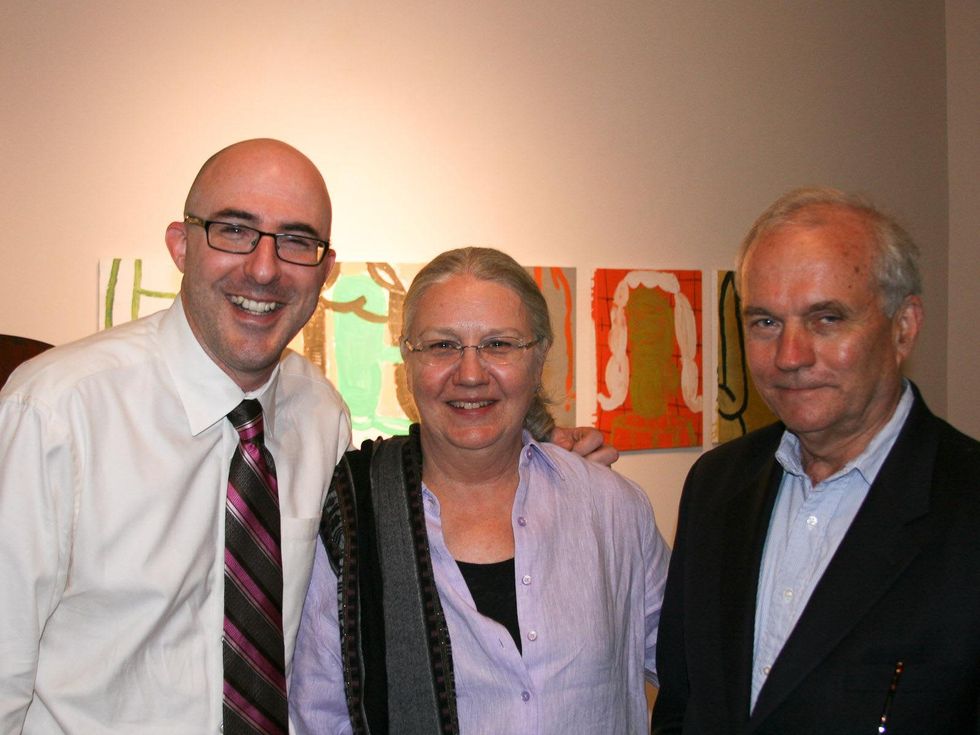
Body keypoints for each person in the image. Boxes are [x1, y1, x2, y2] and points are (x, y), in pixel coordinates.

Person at [0, 139, 613, 734]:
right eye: (234, 230)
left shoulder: (319, 415)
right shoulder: (56, 412)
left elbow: (404, 489)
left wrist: (526, 448)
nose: (264, 268)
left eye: (296, 241)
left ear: (325, 271)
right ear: (181, 244)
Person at [290, 247, 671, 734]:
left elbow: (694, 671)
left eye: (499, 344)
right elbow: (319, 717)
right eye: (443, 346)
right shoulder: (351, 518)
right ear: (408, 360)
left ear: (540, 359)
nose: (470, 374)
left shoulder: (613, 508)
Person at [651, 188, 980, 734]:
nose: (790, 356)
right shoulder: (716, 485)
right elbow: (684, 704)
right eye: (765, 322)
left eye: (826, 318)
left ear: (904, 326)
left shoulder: (965, 503)